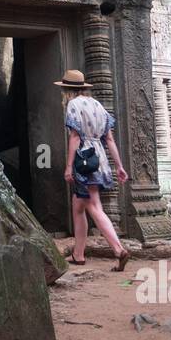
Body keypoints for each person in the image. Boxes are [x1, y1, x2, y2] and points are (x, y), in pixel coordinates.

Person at [57, 69, 130, 268]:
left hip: (85, 160)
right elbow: (109, 139)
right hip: (100, 158)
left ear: (66, 89)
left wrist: (69, 166)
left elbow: (75, 137)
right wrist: (119, 166)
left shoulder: (73, 104)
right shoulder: (97, 105)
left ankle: (118, 249)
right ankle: (78, 254)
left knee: (93, 206)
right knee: (78, 206)